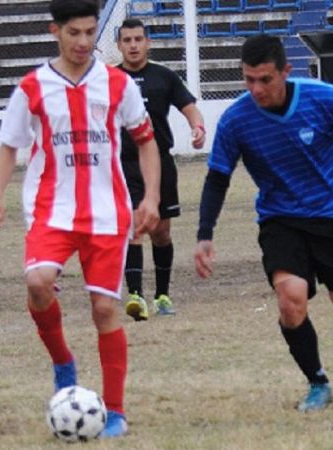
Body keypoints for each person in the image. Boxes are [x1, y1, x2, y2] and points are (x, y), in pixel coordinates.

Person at [194, 35, 333, 412]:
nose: (256, 88)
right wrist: (204, 235)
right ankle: (318, 382)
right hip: (282, 218)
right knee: (291, 299)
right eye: (248, 79)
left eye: (265, 79)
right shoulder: (236, 120)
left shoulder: (323, 97)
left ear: (286, 71)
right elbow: (218, 177)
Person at [0, 0, 160, 438]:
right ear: (54, 31)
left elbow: (146, 141)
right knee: (38, 282)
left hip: (107, 214)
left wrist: (150, 197)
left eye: (90, 33)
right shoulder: (32, 86)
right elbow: (9, 146)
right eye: (74, 33)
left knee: (104, 309)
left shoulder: (117, 84)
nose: (83, 42)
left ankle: (114, 411)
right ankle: (63, 362)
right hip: (51, 210)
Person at [115, 18, 205, 321]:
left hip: (160, 163)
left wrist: (198, 127)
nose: (133, 45)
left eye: (138, 39)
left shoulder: (164, 76)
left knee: (161, 232)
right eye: (127, 40)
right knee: (134, 225)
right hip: (124, 163)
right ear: (119, 45)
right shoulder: (109, 79)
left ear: (147, 43)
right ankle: (136, 295)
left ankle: (162, 295)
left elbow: (189, 106)